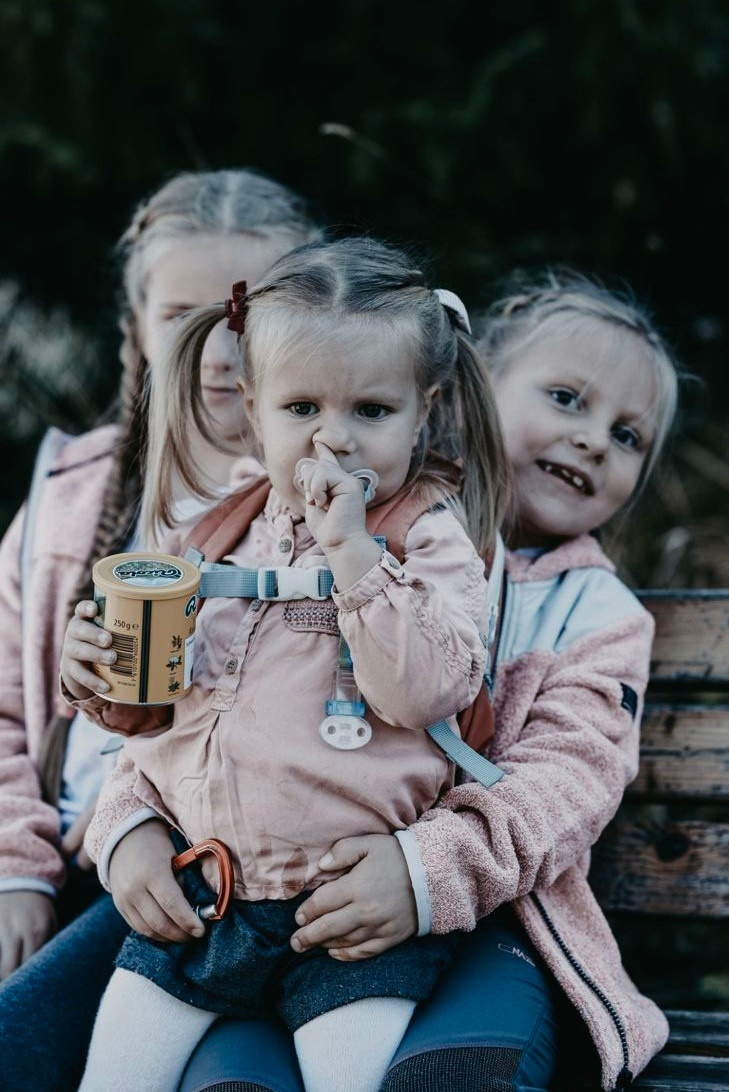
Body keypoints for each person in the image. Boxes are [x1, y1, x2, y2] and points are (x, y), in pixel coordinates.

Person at [181, 271, 678, 1092]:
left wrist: (422, 870)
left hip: (494, 916)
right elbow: (217, 699)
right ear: (457, 392)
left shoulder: (596, 612)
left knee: (453, 1075)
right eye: (565, 398)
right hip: (286, 904)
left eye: (628, 436)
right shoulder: (326, 533)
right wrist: (129, 818)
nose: (593, 439)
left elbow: (570, 777)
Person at [61, 236, 509, 1092]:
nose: (332, 441)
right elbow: (161, 709)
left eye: (371, 412)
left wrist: (350, 553)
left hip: (344, 916)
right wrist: (98, 681)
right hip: (208, 900)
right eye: (301, 409)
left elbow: (425, 691)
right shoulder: (215, 529)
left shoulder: (428, 537)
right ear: (254, 405)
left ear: (425, 409)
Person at [0, 167, 322, 1089]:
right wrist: (16, 870)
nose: (219, 350)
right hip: (59, 862)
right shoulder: (73, 498)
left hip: (208, 881)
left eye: (246, 313)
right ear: (136, 332)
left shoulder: (328, 508)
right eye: (183, 314)